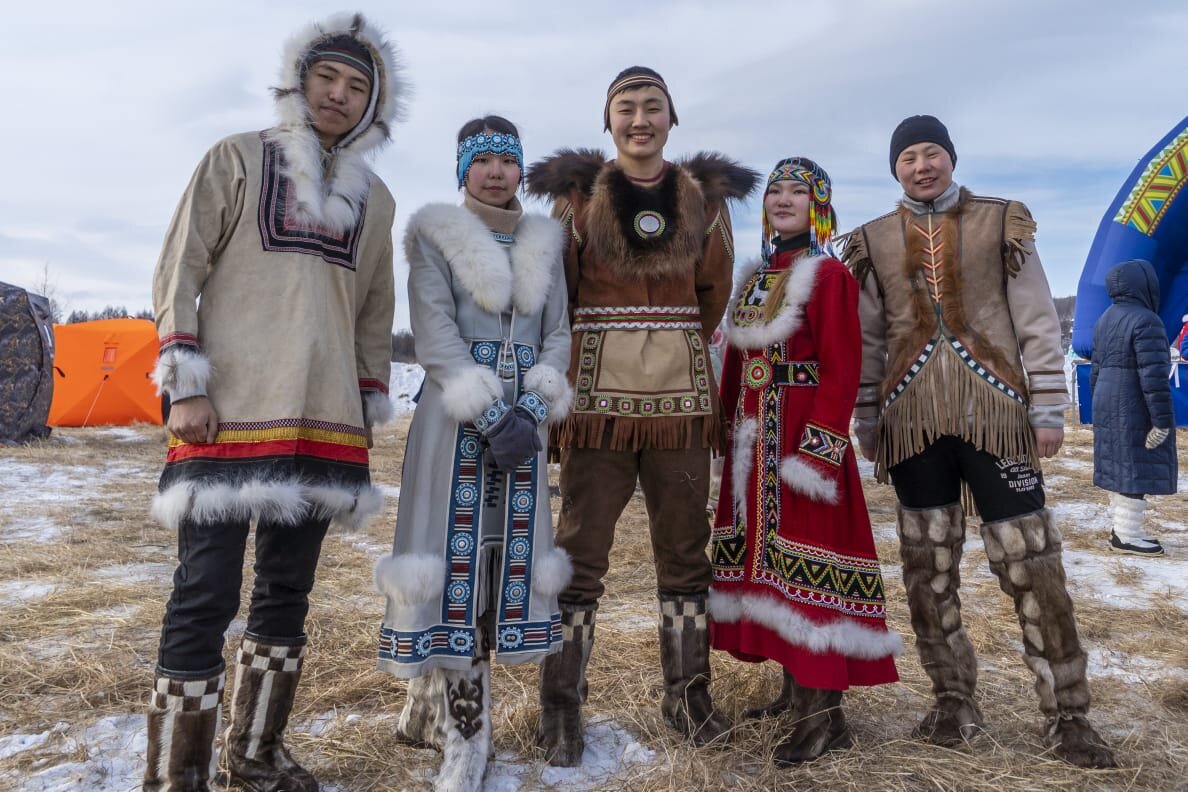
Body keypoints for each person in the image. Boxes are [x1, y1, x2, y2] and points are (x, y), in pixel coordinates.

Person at [143, 14, 405, 791]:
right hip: (224, 414)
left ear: (373, 106)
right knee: (203, 593)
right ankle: (173, 774)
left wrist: (366, 403)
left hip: (324, 426)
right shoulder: (236, 159)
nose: (339, 94)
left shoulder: (377, 199)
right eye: (328, 78)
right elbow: (177, 271)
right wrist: (184, 383)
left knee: (287, 594)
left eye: (358, 86)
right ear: (299, 81)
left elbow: (372, 313)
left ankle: (255, 755)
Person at [843, 115, 1116, 768]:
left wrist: (1049, 406)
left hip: (996, 416)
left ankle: (1068, 714)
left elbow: (1036, 320)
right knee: (926, 569)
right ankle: (951, 703)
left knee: (1032, 560)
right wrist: (867, 417)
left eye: (931, 151)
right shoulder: (873, 241)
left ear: (951, 157)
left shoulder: (1001, 223)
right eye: (908, 156)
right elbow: (870, 341)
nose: (921, 165)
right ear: (894, 168)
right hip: (911, 425)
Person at [526, 66, 758, 766]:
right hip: (597, 407)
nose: (639, 119)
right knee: (579, 556)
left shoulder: (704, 205)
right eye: (625, 107)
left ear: (671, 118)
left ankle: (687, 699)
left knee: (685, 556)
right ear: (608, 121)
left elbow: (712, 293)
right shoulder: (575, 202)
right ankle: (560, 706)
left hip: (682, 409)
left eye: (652, 107)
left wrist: (668, 338)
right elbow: (557, 297)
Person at [374, 116, 572, 790]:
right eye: (481, 160)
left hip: (526, 421)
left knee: (498, 569)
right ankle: (466, 733)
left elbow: (558, 334)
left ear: (521, 170)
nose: (495, 171)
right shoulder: (433, 234)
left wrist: (536, 408)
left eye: (506, 160)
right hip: (455, 423)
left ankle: (433, 712)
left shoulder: (547, 241)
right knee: (452, 569)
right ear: (463, 171)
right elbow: (433, 334)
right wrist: (491, 414)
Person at [710, 158, 901, 765]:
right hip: (753, 443)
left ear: (819, 206)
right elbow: (740, 361)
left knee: (807, 570)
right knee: (769, 571)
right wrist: (722, 424)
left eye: (799, 190)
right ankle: (797, 689)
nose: (784, 198)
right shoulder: (756, 276)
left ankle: (824, 714)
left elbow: (843, 368)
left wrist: (818, 451)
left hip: (799, 443)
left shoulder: (829, 274)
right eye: (775, 190)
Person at [1091, 258, 1177, 556]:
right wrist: (1162, 420)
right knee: (1134, 466)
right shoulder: (1147, 320)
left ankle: (1122, 530)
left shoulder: (1105, 318)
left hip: (1107, 399)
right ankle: (1126, 536)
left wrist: (1096, 406)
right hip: (1133, 403)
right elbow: (1153, 376)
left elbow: (1096, 368)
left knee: (1120, 465)